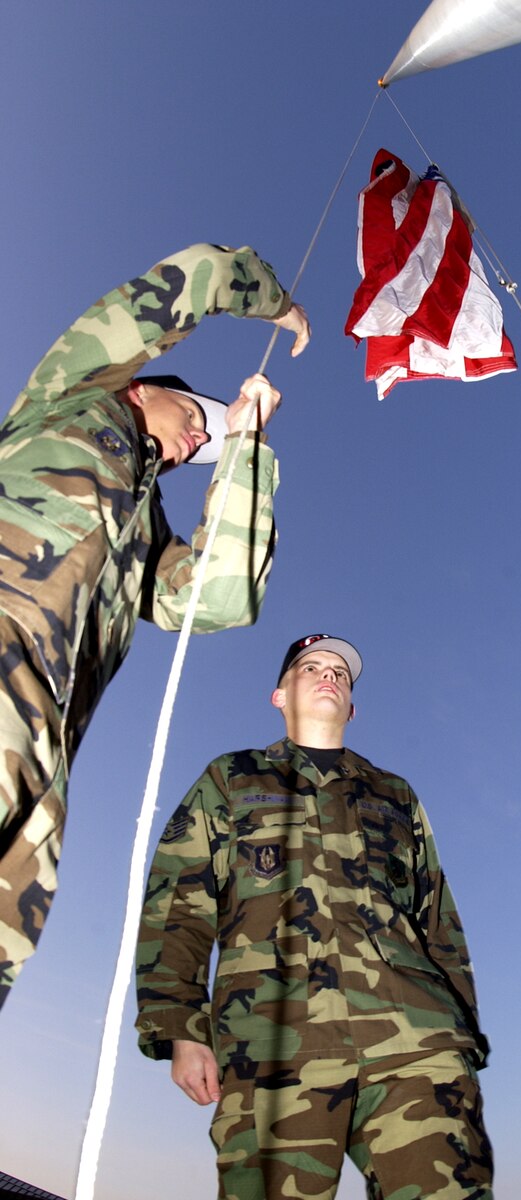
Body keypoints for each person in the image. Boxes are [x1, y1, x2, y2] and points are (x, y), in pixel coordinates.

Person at [0, 242, 311, 1008]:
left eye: (206, 440)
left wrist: (243, 450)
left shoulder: (148, 536)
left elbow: (220, 596)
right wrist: (274, 301)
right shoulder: (75, 391)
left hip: (40, 761)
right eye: (197, 419)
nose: (198, 439)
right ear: (144, 388)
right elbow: (184, 285)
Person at [136, 633, 492, 1200]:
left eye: (341, 674)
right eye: (311, 667)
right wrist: (178, 1026)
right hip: (274, 1043)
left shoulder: (395, 795)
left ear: (351, 706)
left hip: (416, 1039)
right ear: (279, 695)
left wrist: (463, 1033)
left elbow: (438, 919)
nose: (329, 675)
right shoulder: (232, 778)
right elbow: (178, 905)